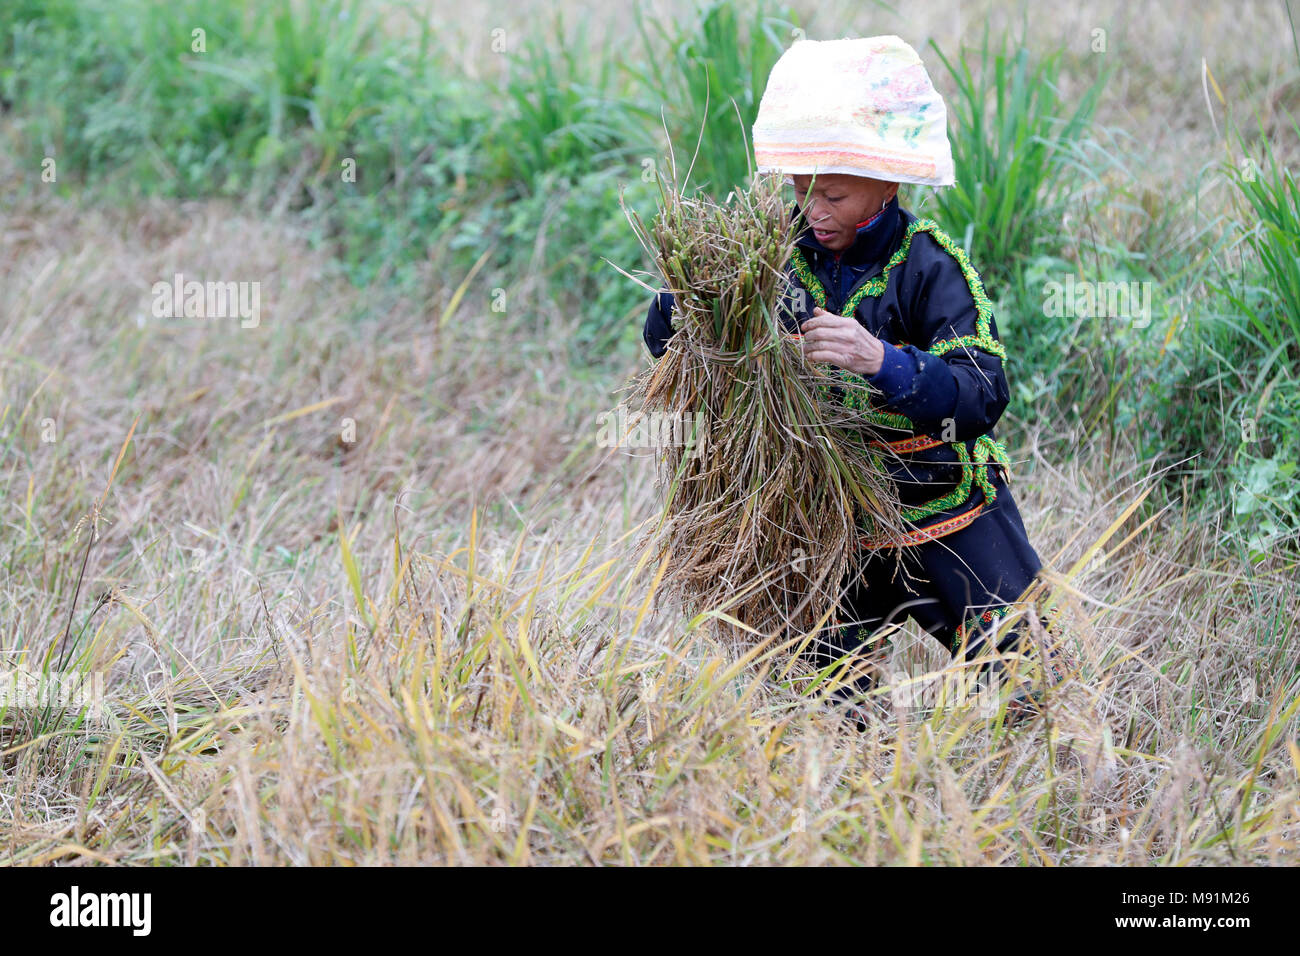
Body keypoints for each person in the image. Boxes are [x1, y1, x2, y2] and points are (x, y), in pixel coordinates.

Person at [642, 35, 1065, 728]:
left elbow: (983, 393)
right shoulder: (770, 254)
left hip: (941, 503)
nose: (814, 210)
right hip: (825, 517)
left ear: (889, 181)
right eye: (801, 190)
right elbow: (672, 347)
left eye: (833, 194)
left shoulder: (931, 267)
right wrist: (690, 297)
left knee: (1035, 685)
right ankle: (864, 793)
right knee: (823, 701)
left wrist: (882, 361)